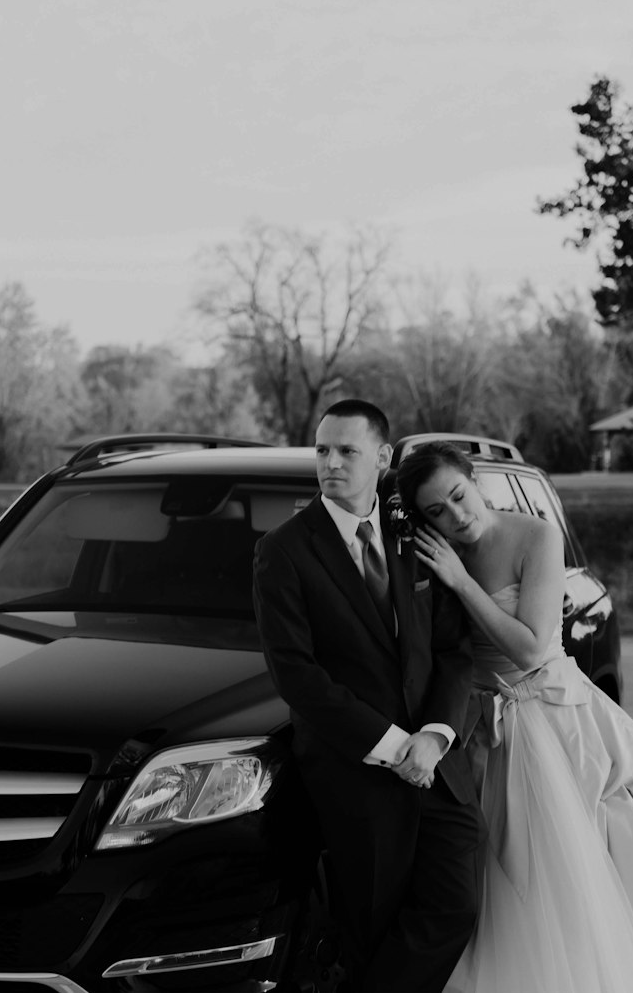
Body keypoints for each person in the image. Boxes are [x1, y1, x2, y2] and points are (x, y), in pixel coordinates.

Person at [396, 440, 633, 993]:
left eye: (458, 496)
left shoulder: (535, 536)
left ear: (474, 479)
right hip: (477, 729)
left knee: (581, 869)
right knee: (488, 883)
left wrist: (459, 580)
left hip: (552, 721)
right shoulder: (431, 554)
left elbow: (528, 649)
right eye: (437, 512)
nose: (456, 517)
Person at [253, 400, 485, 992]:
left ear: (382, 458)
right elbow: (296, 674)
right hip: (358, 773)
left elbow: (457, 651)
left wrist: (433, 736)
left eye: (347, 451)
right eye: (322, 450)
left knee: (455, 906)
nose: (331, 463)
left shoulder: (419, 532)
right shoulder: (283, 550)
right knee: (371, 926)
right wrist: (394, 746)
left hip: (439, 763)